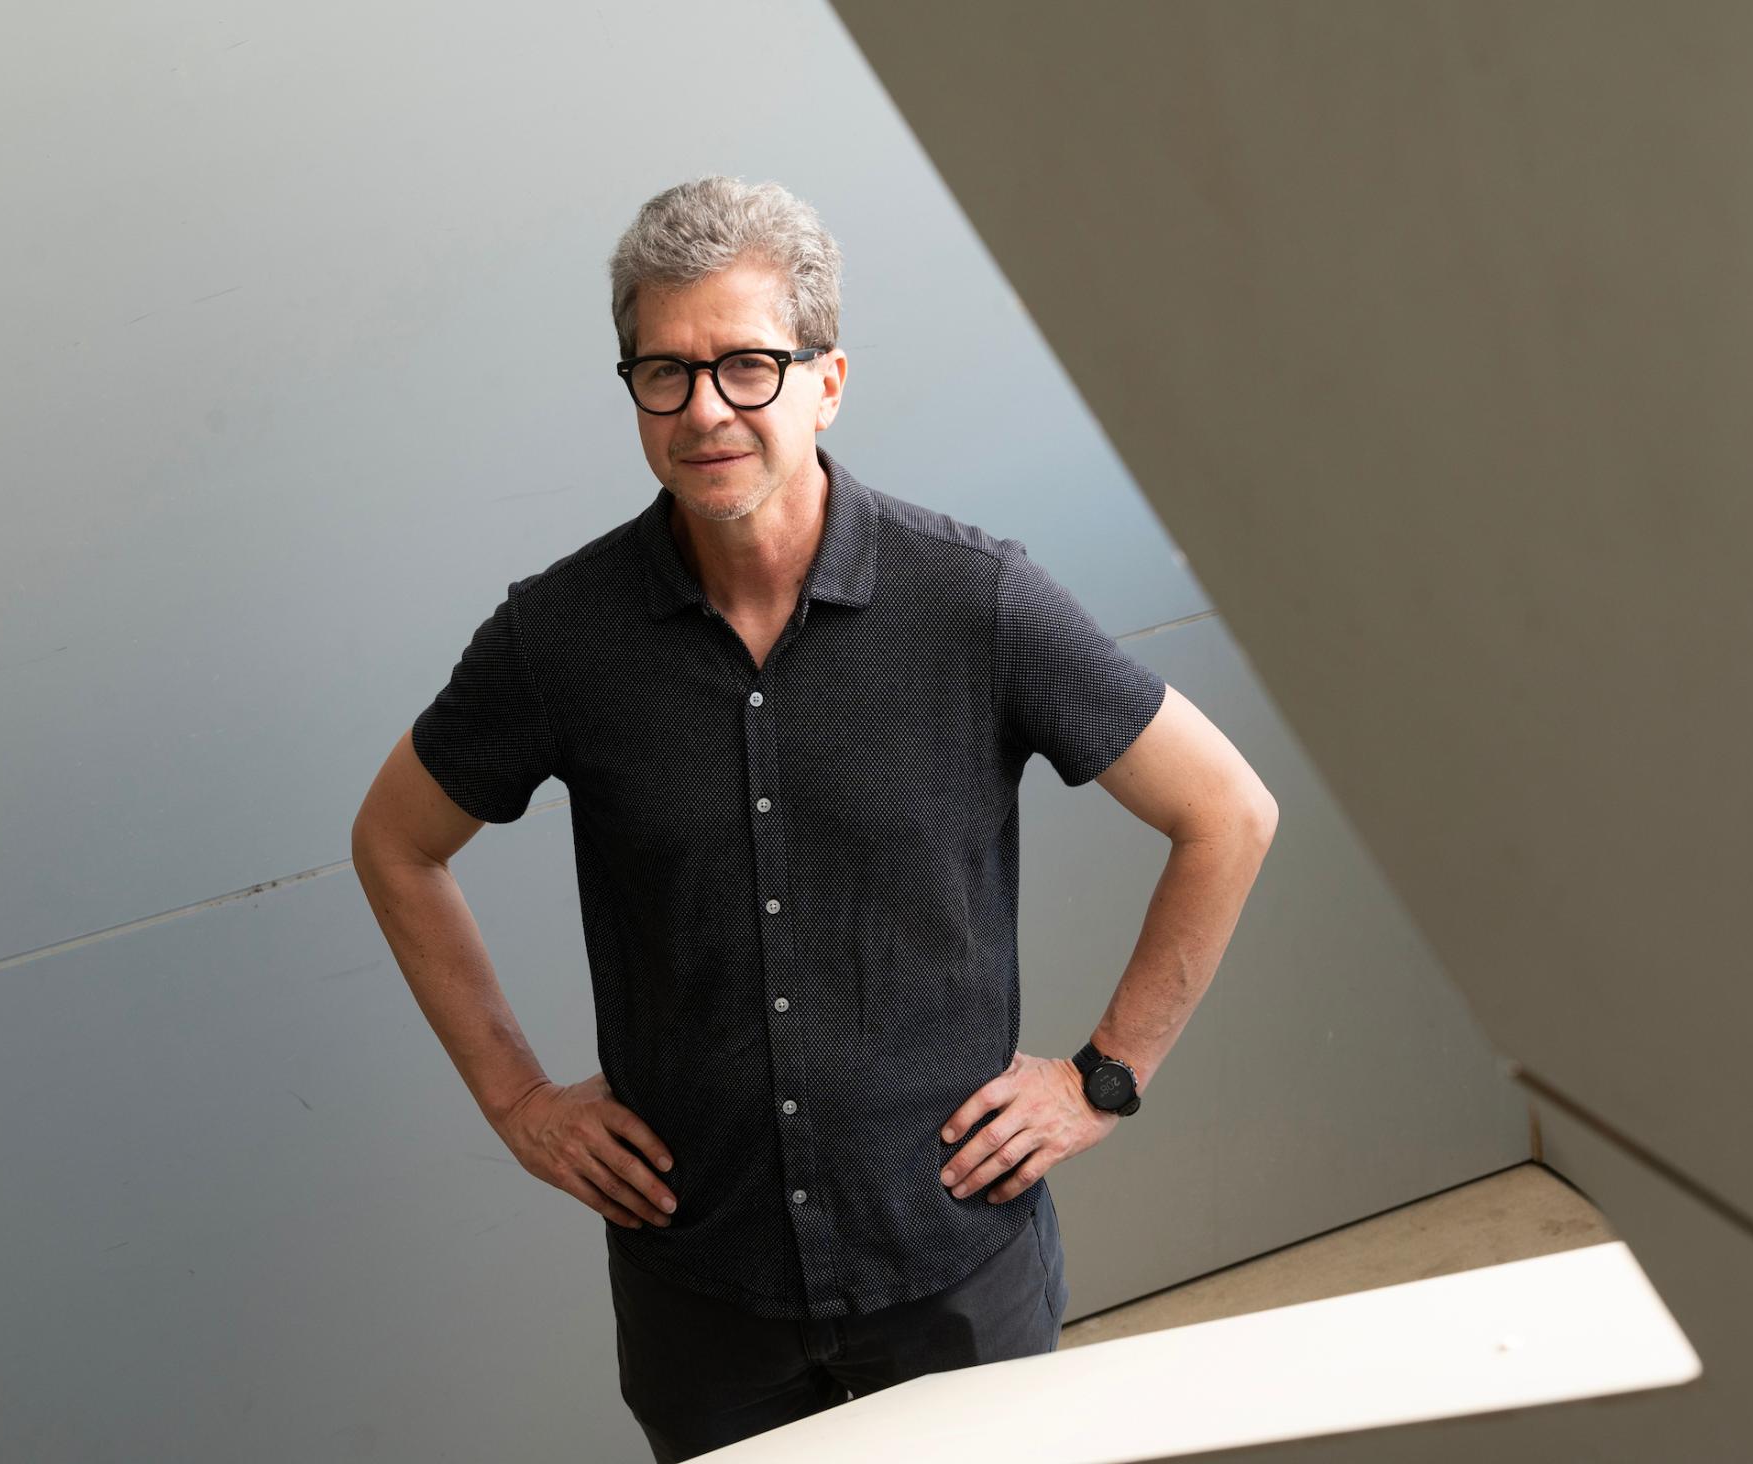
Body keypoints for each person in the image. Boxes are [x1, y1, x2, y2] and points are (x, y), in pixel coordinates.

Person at [350, 175, 1279, 1461]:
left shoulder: (974, 602)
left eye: (747, 364)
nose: (705, 409)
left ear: (826, 381)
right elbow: (395, 844)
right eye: (664, 372)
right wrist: (516, 1101)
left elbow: (1226, 811)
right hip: (699, 1290)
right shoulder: (556, 640)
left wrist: (1104, 1079)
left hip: (952, 1265)